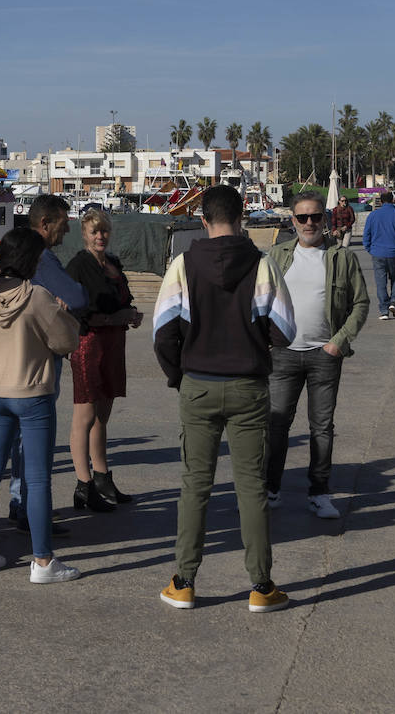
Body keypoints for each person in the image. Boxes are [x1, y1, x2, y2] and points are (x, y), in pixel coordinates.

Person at [152, 184, 296, 613]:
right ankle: (261, 586)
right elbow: (286, 329)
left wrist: (180, 375)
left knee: (195, 485)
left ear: (202, 219)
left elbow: (163, 333)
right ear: (242, 218)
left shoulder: (182, 264)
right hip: (248, 384)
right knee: (251, 486)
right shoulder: (263, 263)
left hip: (198, 382)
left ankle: (184, 582)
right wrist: (256, 340)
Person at [0, 228, 81, 583]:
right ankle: (43, 561)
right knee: (37, 477)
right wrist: (64, 316)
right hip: (31, 392)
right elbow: (66, 341)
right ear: (32, 260)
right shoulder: (38, 296)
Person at [265, 192, 370, 521]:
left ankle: (320, 492)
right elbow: (259, 300)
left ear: (325, 220)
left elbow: (361, 303)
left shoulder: (341, 258)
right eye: (302, 218)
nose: (309, 223)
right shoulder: (277, 255)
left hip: (324, 354)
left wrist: (339, 341)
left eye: (315, 217)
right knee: (276, 425)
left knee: (321, 428)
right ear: (292, 221)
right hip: (281, 355)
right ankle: (270, 489)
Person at [8, 194, 88, 533]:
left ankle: (19, 503)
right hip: (39, 360)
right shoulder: (42, 259)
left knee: (17, 444)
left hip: (7, 359)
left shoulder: (11, 255)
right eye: (62, 223)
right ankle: (32, 513)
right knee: (36, 442)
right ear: (44, 224)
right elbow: (78, 297)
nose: (66, 230)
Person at [66, 209, 142, 514]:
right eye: (94, 232)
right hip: (89, 342)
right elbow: (75, 312)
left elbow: (122, 300)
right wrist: (115, 317)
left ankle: (102, 478)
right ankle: (83, 486)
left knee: (102, 416)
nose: (100, 236)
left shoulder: (113, 263)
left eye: (104, 231)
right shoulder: (78, 265)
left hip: (112, 342)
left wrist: (130, 314)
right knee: (84, 417)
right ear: (84, 234)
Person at [360, 190, 395, 320]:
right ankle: (394, 301)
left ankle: (384, 310)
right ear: (393, 200)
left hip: (377, 253)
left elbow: (366, 235)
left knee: (380, 282)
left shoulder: (373, 215)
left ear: (381, 201)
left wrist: (369, 248)